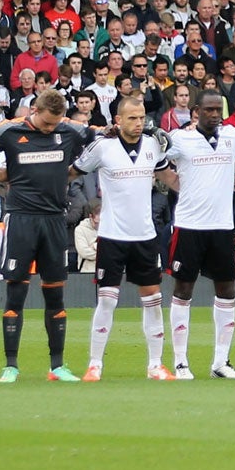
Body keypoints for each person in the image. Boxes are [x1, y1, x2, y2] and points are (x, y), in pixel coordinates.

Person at [0, 85, 89, 382]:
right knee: (16, 293)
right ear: (34, 111)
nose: (50, 128)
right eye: (46, 122)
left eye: (56, 123)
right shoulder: (8, 133)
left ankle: (57, 366)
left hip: (54, 222)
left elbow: (99, 137)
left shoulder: (68, 132)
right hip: (20, 220)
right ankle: (11, 365)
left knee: (55, 294)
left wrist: (73, 171)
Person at [74, 94, 170, 382]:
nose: (138, 123)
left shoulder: (154, 144)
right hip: (112, 236)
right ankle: (94, 365)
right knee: (107, 301)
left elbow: (169, 176)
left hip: (145, 236)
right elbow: (75, 171)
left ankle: (155, 365)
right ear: (118, 120)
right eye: (132, 118)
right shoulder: (103, 147)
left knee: (152, 299)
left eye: (141, 117)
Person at [162, 86, 235, 380]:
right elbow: (155, 157)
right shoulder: (180, 139)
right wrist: (175, 183)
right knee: (183, 291)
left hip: (222, 228)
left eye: (218, 110)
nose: (214, 115)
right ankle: (180, 362)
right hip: (189, 226)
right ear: (196, 112)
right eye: (209, 110)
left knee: (227, 291)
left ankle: (221, 362)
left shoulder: (233, 136)